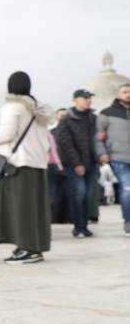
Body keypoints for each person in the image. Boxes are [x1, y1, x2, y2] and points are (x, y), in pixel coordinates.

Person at [0, 71, 54, 264]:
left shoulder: (13, 107)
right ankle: (30, 246)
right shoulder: (38, 108)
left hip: (18, 163)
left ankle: (29, 249)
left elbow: (6, 134)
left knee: (20, 208)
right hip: (37, 163)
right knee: (33, 208)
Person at [55, 89, 100, 238]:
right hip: (74, 165)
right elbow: (65, 144)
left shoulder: (94, 118)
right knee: (78, 194)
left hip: (92, 164)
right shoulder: (66, 120)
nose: (88, 100)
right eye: (85, 97)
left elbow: (97, 140)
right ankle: (78, 227)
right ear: (75, 100)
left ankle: (84, 226)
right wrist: (77, 164)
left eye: (89, 97)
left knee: (87, 195)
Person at [97, 82, 130, 236]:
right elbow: (98, 137)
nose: (128, 94)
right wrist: (102, 153)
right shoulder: (106, 113)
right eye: (125, 92)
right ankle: (128, 221)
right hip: (118, 157)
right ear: (118, 94)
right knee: (127, 188)